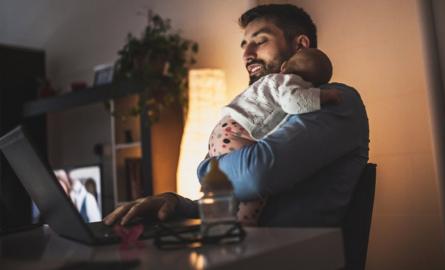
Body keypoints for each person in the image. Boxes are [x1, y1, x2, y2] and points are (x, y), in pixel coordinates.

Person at [104, 4, 369, 228]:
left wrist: (207, 170)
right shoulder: (269, 112)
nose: (246, 54)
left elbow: (256, 175)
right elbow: (238, 198)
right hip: (249, 251)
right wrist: (177, 205)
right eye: (244, 45)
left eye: (260, 41)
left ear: (300, 45)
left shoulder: (337, 101)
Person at [209, 48, 341, 225]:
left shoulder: (267, 82)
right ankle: (246, 225)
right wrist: (323, 96)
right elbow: (294, 103)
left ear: (284, 66)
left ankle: (220, 222)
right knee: (255, 193)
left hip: (221, 132)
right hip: (238, 133)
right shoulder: (290, 82)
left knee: (226, 194)